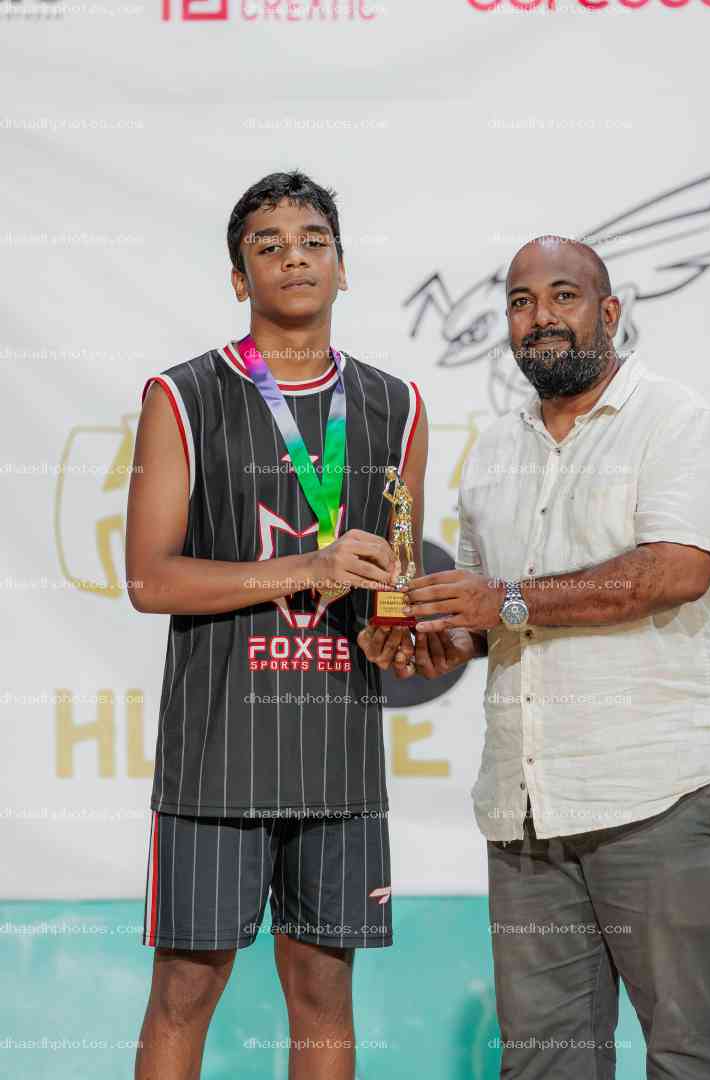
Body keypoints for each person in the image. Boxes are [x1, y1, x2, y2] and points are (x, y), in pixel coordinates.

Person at [370, 235, 710, 1079]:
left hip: (658, 795)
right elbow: (485, 624)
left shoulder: (675, 421)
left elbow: (675, 571)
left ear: (609, 311)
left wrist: (503, 601)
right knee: (543, 1063)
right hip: (528, 811)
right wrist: (432, 643)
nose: (540, 317)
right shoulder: (494, 451)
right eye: (520, 302)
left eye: (563, 296)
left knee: (689, 1055)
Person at [126, 170, 425, 1080]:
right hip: (218, 750)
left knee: (324, 991)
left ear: (343, 267)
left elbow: (395, 584)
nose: (294, 258)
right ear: (238, 276)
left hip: (338, 748)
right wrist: (306, 567)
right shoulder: (182, 396)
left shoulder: (399, 405)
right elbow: (149, 577)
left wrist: (397, 629)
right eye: (269, 245)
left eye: (313, 242)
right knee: (184, 989)